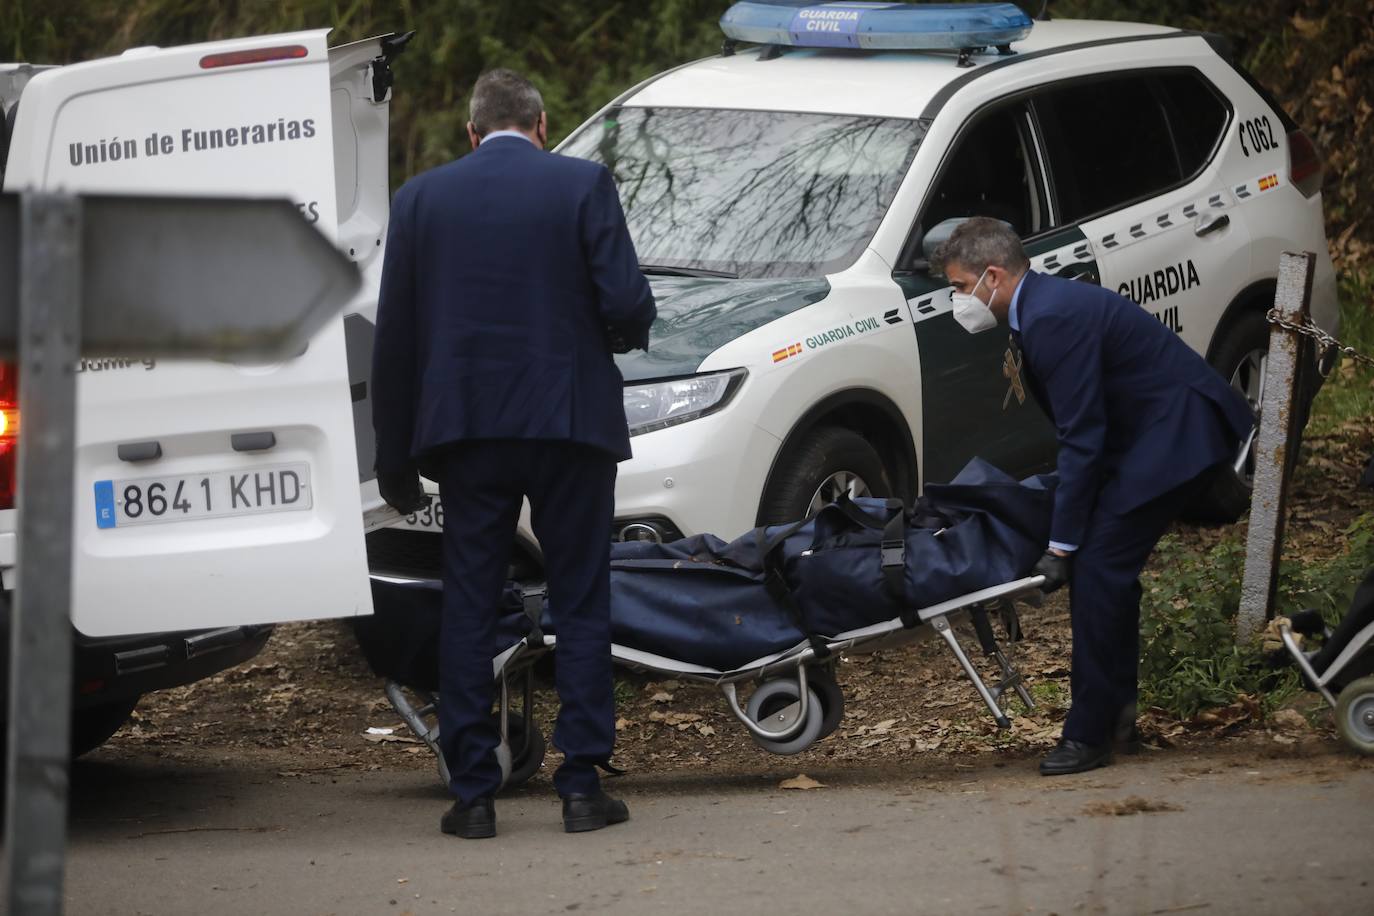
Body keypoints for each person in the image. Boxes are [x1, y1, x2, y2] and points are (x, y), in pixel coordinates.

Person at [370, 68, 657, 836]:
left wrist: (392, 457)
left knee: (468, 603)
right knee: (582, 596)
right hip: (570, 425)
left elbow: (394, 335)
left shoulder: (422, 199)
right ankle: (583, 785)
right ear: (541, 123)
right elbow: (627, 304)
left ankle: (472, 794)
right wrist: (619, 336)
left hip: (467, 432)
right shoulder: (583, 185)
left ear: (471, 132)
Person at [932, 217, 1254, 776]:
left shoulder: (1051, 316)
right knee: (1105, 569)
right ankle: (1116, 717)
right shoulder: (1038, 307)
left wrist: (1060, 546)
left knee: (1099, 565)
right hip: (1152, 433)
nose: (957, 301)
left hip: (1176, 433)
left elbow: (1081, 436)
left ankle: (1089, 736)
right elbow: (1087, 427)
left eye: (960, 288)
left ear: (992, 276)